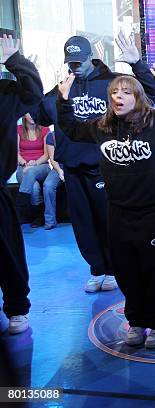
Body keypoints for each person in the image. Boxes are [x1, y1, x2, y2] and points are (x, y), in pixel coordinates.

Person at [56, 57, 155, 349]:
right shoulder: (102, 127)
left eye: (125, 92)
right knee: (126, 270)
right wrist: (63, 99)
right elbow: (72, 129)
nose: (118, 98)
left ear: (137, 96)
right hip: (119, 212)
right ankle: (136, 320)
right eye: (113, 93)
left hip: (153, 213)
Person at [34, 32, 155, 293]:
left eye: (79, 61)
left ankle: (115, 268)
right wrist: (37, 86)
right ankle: (97, 268)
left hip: (106, 165)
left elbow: (153, 93)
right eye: (71, 61)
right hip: (72, 166)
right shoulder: (63, 87)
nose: (75, 66)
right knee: (83, 223)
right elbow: (40, 116)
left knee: (109, 221)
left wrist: (137, 64)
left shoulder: (112, 83)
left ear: (91, 56)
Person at [0, 34, 43, 335]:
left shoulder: (5, 92)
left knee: (7, 253)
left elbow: (34, 93)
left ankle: (17, 308)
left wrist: (15, 60)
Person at [15, 113, 50, 227]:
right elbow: (16, 153)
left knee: (31, 172)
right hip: (23, 167)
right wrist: (25, 163)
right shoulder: (18, 129)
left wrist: (34, 164)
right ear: (24, 115)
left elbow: (46, 155)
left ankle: (18, 210)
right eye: (30, 112)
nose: (33, 115)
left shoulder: (45, 129)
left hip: (41, 166)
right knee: (34, 188)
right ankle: (38, 217)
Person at [42, 131, 64, 229]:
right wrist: (60, 171)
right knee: (48, 186)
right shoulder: (51, 136)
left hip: (75, 168)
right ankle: (50, 221)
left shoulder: (76, 131)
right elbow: (52, 158)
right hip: (58, 168)